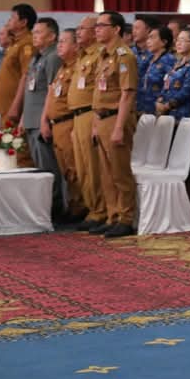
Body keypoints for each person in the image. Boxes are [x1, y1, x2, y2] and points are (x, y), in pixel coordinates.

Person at [90, 12, 140, 239]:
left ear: (117, 29)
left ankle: (126, 218)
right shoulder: (102, 55)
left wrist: (119, 127)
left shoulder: (124, 56)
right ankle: (113, 216)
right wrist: (94, 124)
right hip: (101, 118)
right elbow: (98, 93)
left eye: (102, 25)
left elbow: (127, 94)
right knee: (106, 174)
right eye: (96, 25)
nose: (97, 29)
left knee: (120, 172)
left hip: (115, 118)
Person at [41, 28, 86, 224]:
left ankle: (81, 207)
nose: (59, 45)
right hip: (57, 124)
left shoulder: (78, 67)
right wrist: (45, 120)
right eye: (59, 41)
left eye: (64, 41)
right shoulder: (62, 68)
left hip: (69, 122)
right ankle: (73, 205)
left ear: (76, 46)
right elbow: (52, 95)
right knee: (65, 170)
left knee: (74, 169)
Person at [21, 18, 64, 218]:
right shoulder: (37, 57)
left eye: (39, 32)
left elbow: (52, 91)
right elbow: (31, 91)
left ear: (52, 36)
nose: (34, 36)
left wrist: (44, 120)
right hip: (31, 119)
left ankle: (55, 208)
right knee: (39, 169)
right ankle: (44, 207)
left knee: (48, 169)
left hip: (42, 120)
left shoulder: (53, 57)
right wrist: (23, 118)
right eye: (34, 32)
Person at [72, 17, 109, 232]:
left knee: (93, 167)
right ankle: (92, 208)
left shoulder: (98, 55)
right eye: (77, 28)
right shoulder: (82, 55)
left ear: (94, 31)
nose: (78, 32)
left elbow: (98, 89)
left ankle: (100, 210)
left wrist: (95, 118)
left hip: (90, 113)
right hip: (77, 116)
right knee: (82, 168)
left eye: (82, 28)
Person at [0, 4, 36, 128]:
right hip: (5, 106)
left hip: (14, 107)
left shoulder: (27, 44)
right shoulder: (15, 43)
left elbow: (27, 75)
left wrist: (16, 106)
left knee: (13, 139)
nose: (9, 21)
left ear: (23, 22)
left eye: (13, 18)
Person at [156, 26, 190, 121]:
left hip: (182, 115)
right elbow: (166, 84)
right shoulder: (177, 62)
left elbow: (187, 91)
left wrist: (167, 106)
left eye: (182, 40)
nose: (178, 43)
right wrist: (160, 100)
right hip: (167, 114)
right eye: (177, 40)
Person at [139, 26, 174, 116]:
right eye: (148, 38)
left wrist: (162, 101)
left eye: (152, 37)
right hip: (142, 106)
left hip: (158, 109)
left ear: (164, 42)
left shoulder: (168, 59)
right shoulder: (148, 58)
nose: (148, 41)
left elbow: (170, 83)